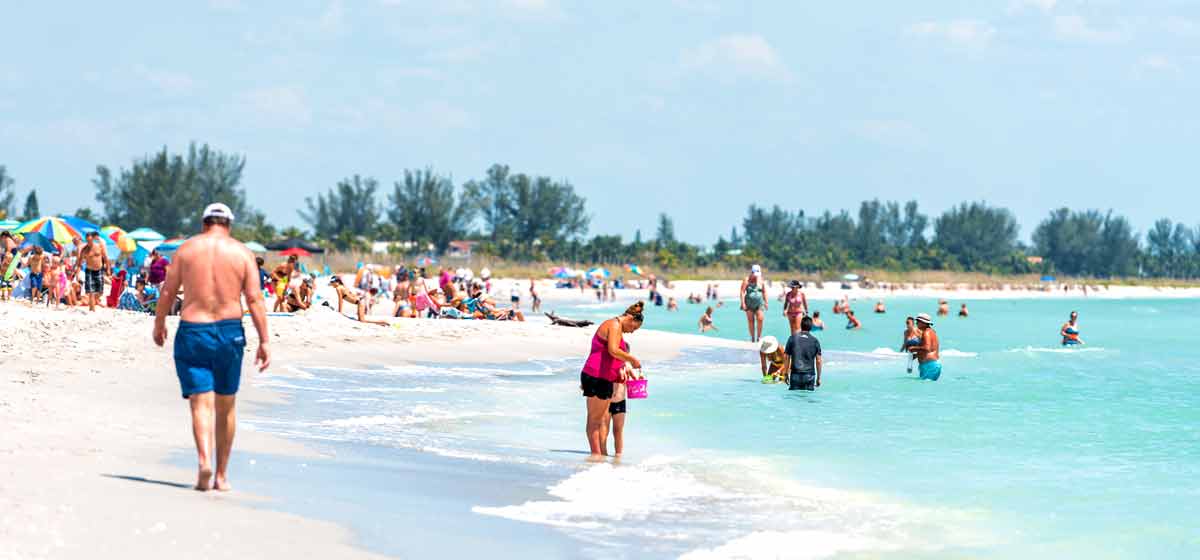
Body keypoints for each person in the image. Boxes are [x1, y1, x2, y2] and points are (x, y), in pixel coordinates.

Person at [153, 203, 270, 492]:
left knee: (200, 402)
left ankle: (204, 461)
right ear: (228, 225)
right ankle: (221, 476)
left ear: (205, 223)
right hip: (230, 332)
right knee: (226, 405)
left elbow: (168, 291)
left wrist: (159, 324)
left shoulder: (187, 250)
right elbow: (254, 299)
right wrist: (264, 340)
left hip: (194, 329)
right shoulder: (243, 253)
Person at [580, 301, 643, 458]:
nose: (632, 332)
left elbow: (612, 356)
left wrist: (623, 369)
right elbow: (613, 350)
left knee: (597, 420)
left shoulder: (617, 328)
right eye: (634, 328)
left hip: (605, 377)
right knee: (595, 421)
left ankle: (598, 456)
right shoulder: (614, 325)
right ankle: (596, 456)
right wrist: (632, 359)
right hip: (596, 375)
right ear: (631, 319)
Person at [74, 231, 110, 312]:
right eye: (87, 240)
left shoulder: (99, 247)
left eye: (90, 240)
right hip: (89, 271)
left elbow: (106, 258)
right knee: (91, 291)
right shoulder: (84, 250)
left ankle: (94, 301)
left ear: (93, 239)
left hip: (99, 270)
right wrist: (77, 274)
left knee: (100, 292)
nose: (89, 242)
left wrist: (108, 269)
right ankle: (92, 309)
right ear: (86, 240)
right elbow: (79, 263)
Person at [785, 316, 822, 391]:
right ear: (811, 327)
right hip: (809, 375)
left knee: (794, 397)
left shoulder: (792, 338)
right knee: (808, 397)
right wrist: (818, 378)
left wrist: (786, 374)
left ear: (801, 325)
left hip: (795, 374)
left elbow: (786, 357)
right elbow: (818, 361)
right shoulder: (815, 341)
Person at [908, 313, 941, 381]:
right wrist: (917, 355)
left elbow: (927, 348)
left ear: (924, 323)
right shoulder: (931, 332)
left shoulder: (926, 333)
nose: (916, 323)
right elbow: (930, 349)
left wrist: (913, 348)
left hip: (929, 365)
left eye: (918, 321)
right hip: (931, 365)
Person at [740, 264, 768, 343]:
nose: (756, 276)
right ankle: (752, 338)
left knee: (760, 319)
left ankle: (759, 337)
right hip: (749, 303)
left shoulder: (761, 280)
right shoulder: (746, 280)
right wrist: (742, 303)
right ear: (751, 272)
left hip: (759, 303)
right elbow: (742, 292)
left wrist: (766, 302)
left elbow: (764, 291)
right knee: (750, 321)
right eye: (755, 274)